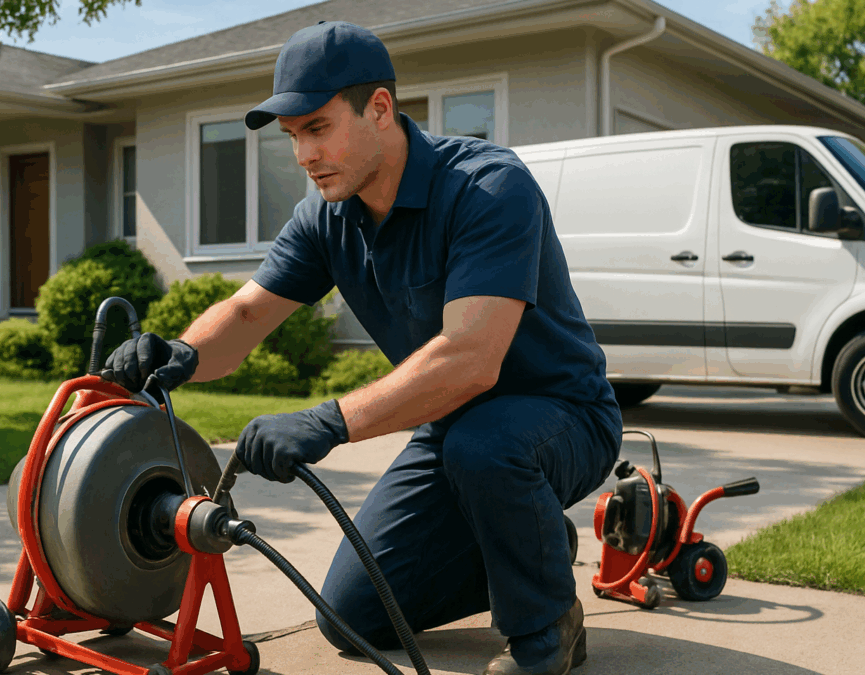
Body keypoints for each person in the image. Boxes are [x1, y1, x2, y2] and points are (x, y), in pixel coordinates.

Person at [100, 20, 621, 675]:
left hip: (563, 416)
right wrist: (181, 353)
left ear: (379, 108)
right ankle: (532, 548)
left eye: (317, 128)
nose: (303, 155)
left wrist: (327, 421)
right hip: (453, 430)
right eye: (293, 136)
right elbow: (247, 312)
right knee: (350, 614)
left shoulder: (487, 187)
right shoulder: (328, 216)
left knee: (484, 444)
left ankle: (546, 627)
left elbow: (470, 359)